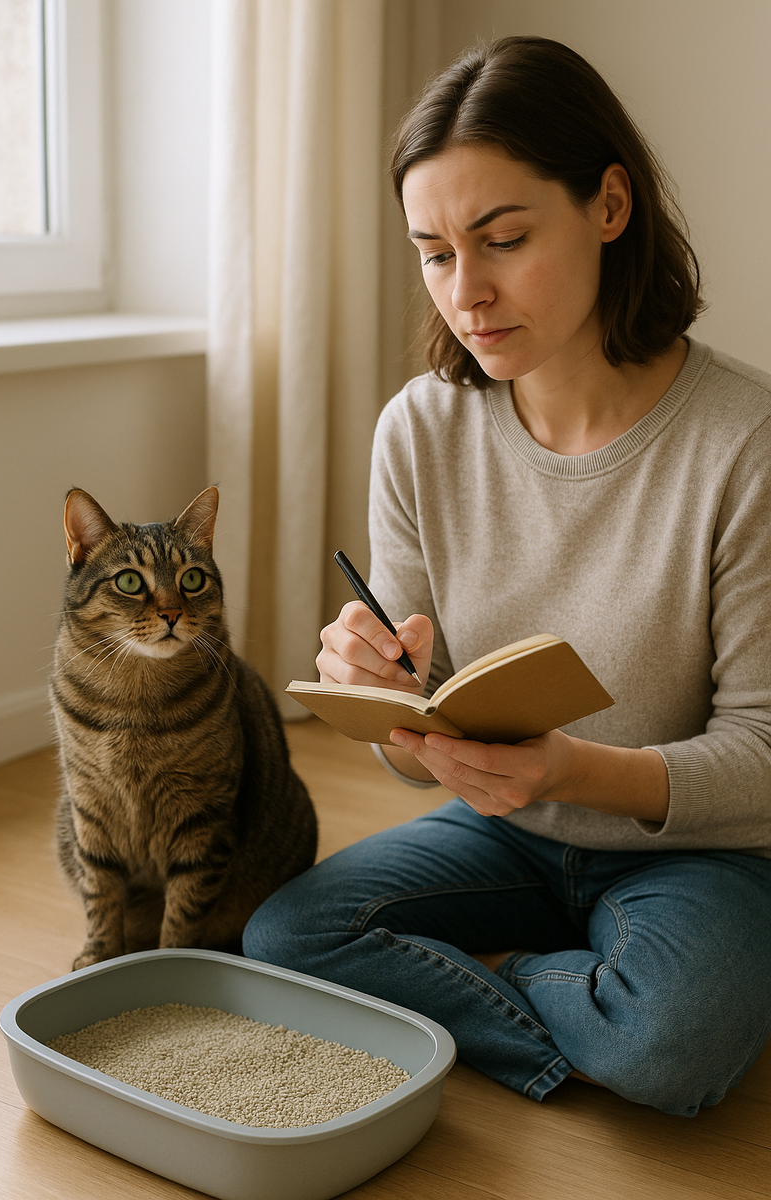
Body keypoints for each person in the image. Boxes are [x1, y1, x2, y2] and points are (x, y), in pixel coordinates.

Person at [242, 35, 771, 1116]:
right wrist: (391, 707)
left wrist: (571, 772)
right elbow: (422, 760)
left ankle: (513, 987)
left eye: (503, 239)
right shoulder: (419, 431)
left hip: (703, 849)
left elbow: (763, 756)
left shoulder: (743, 442)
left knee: (673, 1044)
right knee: (283, 935)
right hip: (506, 831)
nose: (465, 293)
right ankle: (581, 994)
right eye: (434, 253)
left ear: (608, 206)